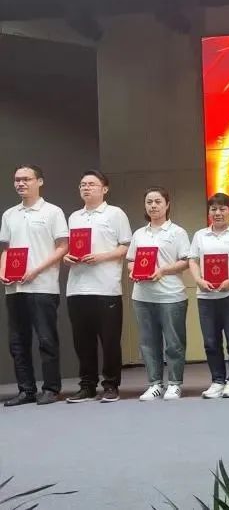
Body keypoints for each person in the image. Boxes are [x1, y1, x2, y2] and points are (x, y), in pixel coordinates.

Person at [0, 165, 68, 406]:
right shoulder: (9, 214)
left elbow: (63, 247)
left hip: (42, 286)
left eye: (26, 179)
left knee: (46, 340)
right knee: (17, 342)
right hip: (14, 288)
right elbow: (6, 250)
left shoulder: (53, 212)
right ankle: (26, 390)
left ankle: (51, 388)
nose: (21, 183)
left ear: (39, 181)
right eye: (17, 179)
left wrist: (36, 270)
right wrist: (3, 271)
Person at [63, 170, 132, 403]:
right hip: (77, 287)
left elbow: (126, 246)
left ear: (105, 188)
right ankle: (87, 385)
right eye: (83, 184)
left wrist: (102, 257)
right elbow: (71, 247)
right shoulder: (74, 217)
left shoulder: (115, 214)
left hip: (106, 287)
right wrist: (67, 257)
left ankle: (111, 385)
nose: (86, 188)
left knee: (110, 340)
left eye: (91, 184)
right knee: (82, 341)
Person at [188, 193, 229, 399]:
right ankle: (217, 381)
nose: (217, 213)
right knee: (210, 342)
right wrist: (198, 280)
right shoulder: (200, 235)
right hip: (206, 296)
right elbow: (193, 260)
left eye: (222, 209)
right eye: (213, 209)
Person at [128, 187, 191, 401]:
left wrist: (163, 270)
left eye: (157, 201)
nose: (153, 206)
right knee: (148, 342)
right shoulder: (139, 234)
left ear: (167, 204)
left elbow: (186, 261)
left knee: (174, 342)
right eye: (149, 202)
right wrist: (134, 271)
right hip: (142, 296)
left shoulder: (177, 232)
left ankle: (174, 383)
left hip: (171, 295)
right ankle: (155, 383)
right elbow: (131, 261)